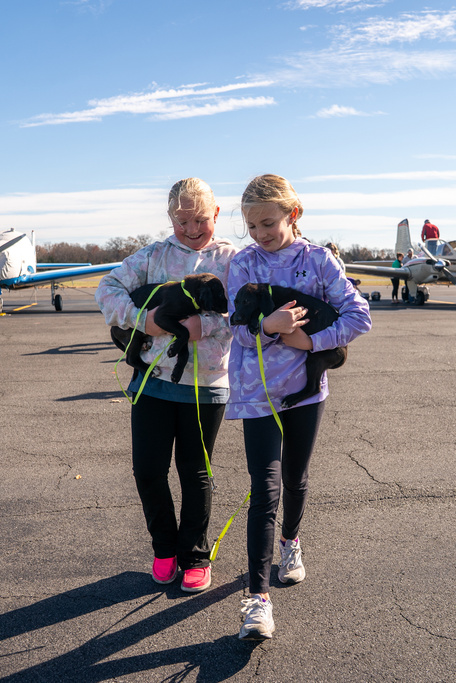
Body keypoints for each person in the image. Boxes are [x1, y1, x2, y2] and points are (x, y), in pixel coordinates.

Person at [226, 174, 372, 639]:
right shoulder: (244, 263)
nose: (260, 234)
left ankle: (290, 542)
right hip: (257, 393)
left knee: (295, 478)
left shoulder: (319, 260)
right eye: (251, 226)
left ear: (294, 214)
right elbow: (235, 330)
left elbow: (359, 316)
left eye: (268, 223)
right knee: (264, 486)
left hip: (306, 392)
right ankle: (256, 599)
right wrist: (268, 325)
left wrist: (311, 340)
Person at [95, 178, 237, 594]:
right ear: (170, 217)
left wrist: (203, 326)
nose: (192, 229)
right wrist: (146, 322)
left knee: (195, 471)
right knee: (148, 470)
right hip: (153, 384)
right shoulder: (154, 255)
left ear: (216, 213)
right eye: (182, 221)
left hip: (206, 386)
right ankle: (163, 549)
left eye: (200, 220)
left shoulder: (234, 259)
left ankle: (194, 554)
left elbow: (244, 315)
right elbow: (108, 288)